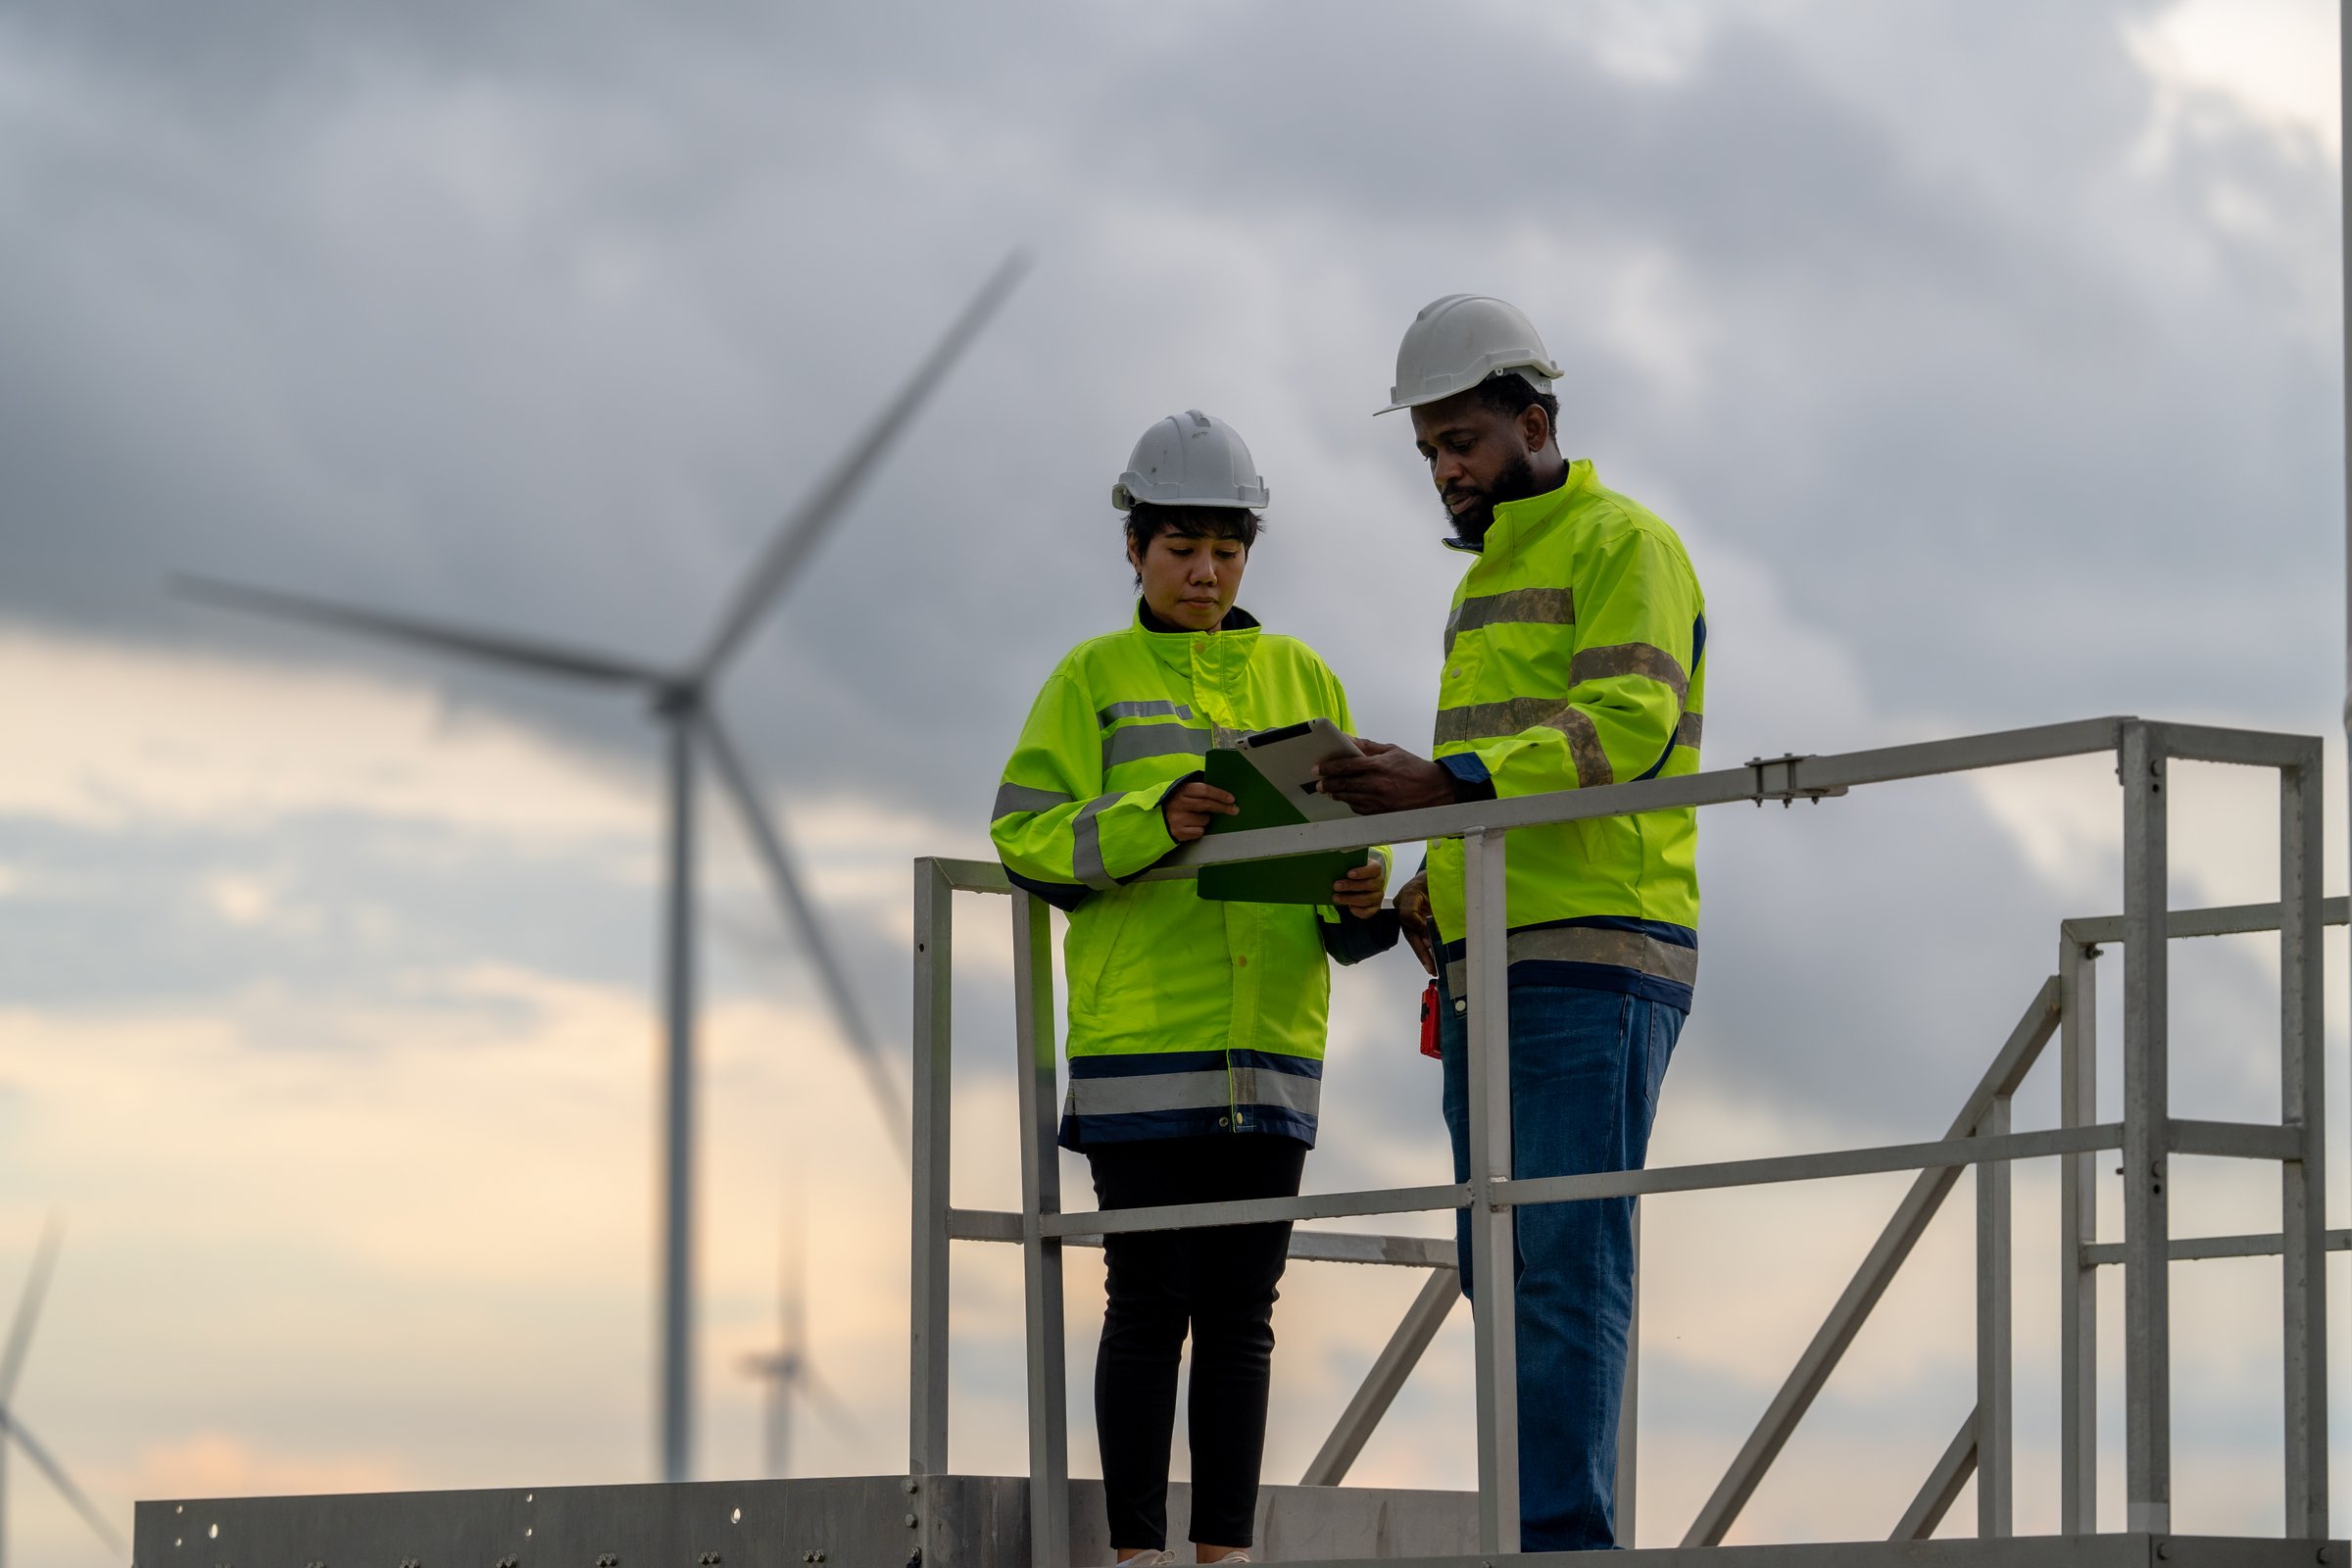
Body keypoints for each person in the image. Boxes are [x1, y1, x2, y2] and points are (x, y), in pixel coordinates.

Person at [1316, 296, 1706, 1551]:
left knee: (1562, 1263)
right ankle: (1531, 1530)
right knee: (1507, 1266)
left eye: (1463, 440)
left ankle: (1561, 1544)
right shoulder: (1491, 576)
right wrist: (1423, 883)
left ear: (1534, 419)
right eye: (1429, 448)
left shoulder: (1621, 542)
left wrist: (1446, 789)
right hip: (1495, 959)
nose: (1445, 469)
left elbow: (1621, 733)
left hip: (1595, 950)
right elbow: (1499, 769)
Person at [990, 410, 1396, 1566]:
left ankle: (1225, 1555)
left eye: (1226, 546)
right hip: (1140, 1040)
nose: (1206, 570)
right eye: (1180, 546)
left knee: (1242, 1315)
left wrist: (1360, 893)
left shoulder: (1303, 674)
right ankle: (1134, 1554)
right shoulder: (1092, 678)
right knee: (1147, 1301)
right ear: (1133, 547)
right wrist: (1150, 822)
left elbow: (1340, 856)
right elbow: (1022, 832)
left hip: (1268, 1041)